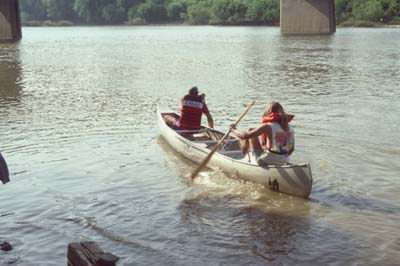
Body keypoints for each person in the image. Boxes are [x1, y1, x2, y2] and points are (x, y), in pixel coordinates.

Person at [230, 101, 294, 165]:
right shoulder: (289, 127)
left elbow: (244, 136)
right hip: (285, 159)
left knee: (249, 133)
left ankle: (248, 155)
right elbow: (291, 150)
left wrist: (233, 130)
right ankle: (246, 151)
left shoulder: (268, 126)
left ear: (267, 112)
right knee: (251, 130)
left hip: (267, 161)